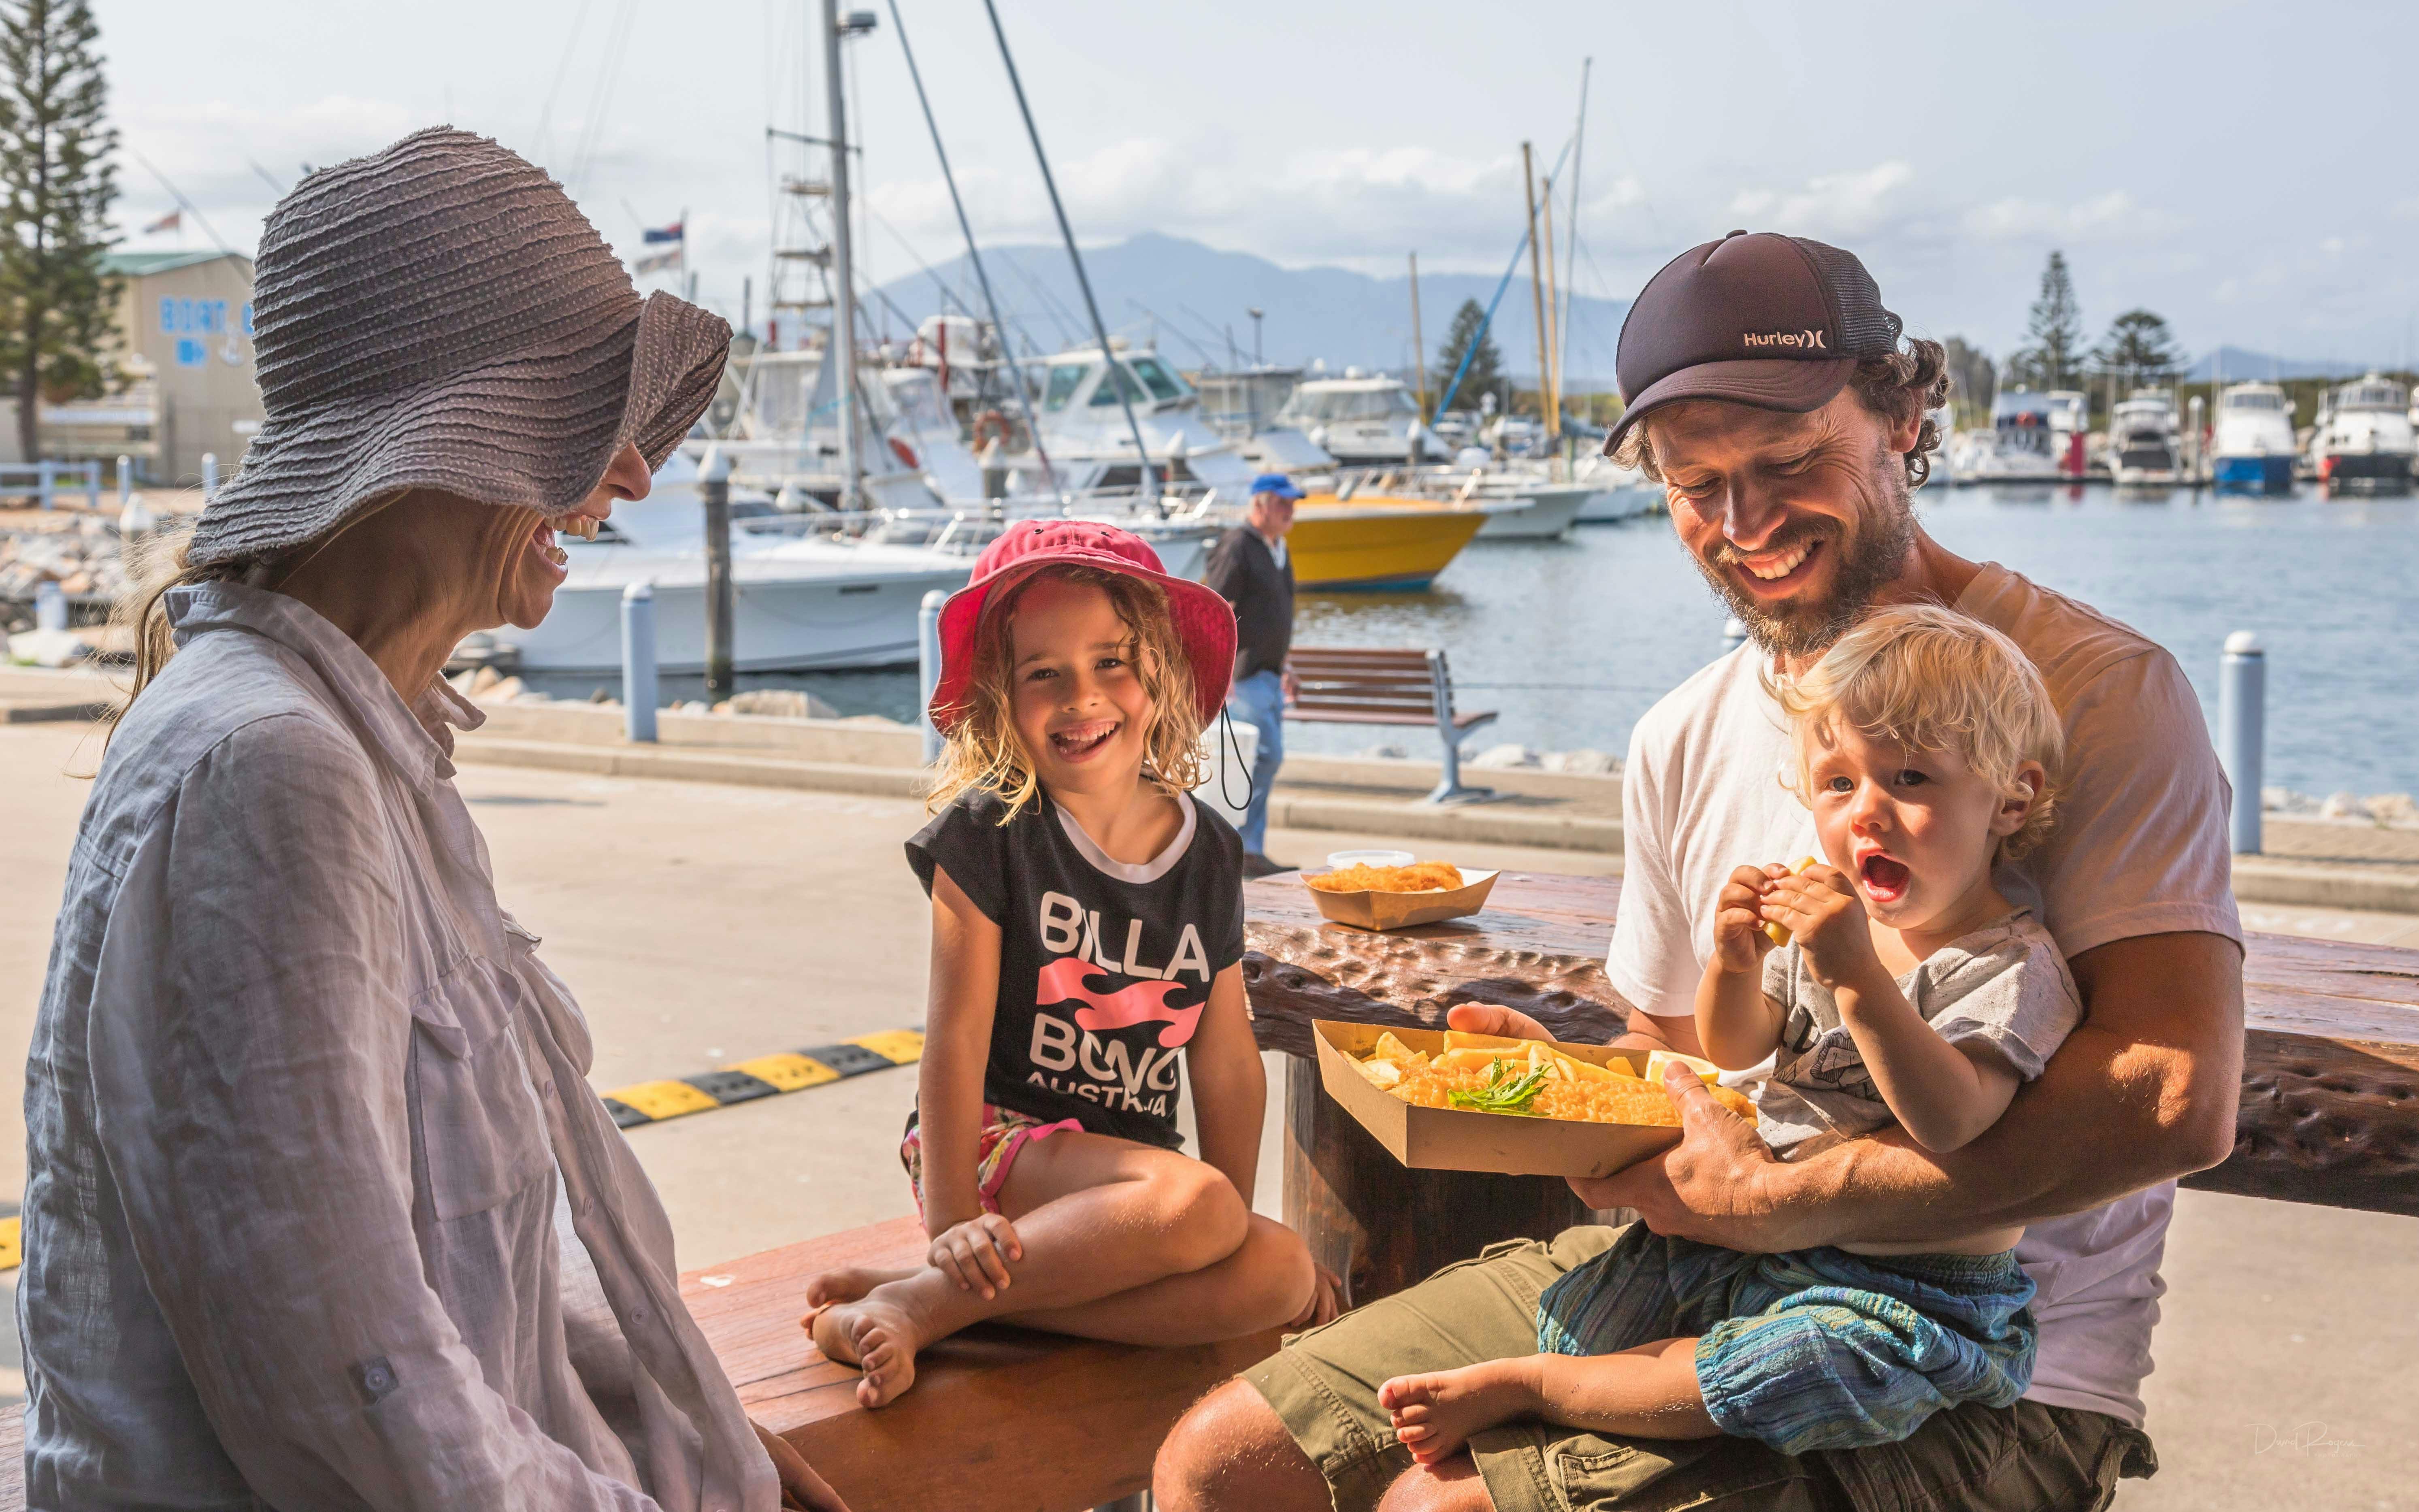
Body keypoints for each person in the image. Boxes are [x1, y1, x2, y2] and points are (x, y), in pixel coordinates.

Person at [1156, 230, 2244, 1512]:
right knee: (1216, 1465)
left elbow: (2174, 1095)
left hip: (1980, 1367)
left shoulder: (2093, 692)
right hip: (1691, 1273)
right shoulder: (1677, 733)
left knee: (1434, 1505)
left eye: (1788, 463)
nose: (1743, 523)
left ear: (1900, 416)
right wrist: (1562, 1090)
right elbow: (1684, 1055)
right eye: (1693, 483)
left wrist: (1779, 1203)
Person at [16, 129, 843, 1510]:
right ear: (442, 449)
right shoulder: (275, 766)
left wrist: (691, 1415)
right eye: (583, 423)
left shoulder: (348, 741)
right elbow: (357, 1389)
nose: (631, 474)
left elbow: (449, 1262)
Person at [1378, 605, 2076, 1466]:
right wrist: (1735, 962)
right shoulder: (1831, 916)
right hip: (1760, 1247)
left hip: (1911, 1287)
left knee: (1804, 1366)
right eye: (1836, 783)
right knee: (1586, 1314)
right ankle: (1588, 1372)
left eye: (1909, 781)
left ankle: (1537, 1388)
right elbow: (1737, 1046)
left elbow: (1953, 1117)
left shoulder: (2010, 966)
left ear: (2012, 797)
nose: (1865, 814)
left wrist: (1856, 975)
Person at [801, 521, 1338, 1409]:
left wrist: (1225, 1224)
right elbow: (953, 1043)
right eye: (1041, 672)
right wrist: (951, 1225)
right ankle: (931, 1290)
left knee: (1276, 1271)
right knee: (1200, 1207)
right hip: (995, 1147)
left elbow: (1225, 1055)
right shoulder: (987, 834)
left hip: (1129, 1190)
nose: (1081, 698)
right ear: (997, 699)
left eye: (1110, 663)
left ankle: (926, 1304)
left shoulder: (1207, 852)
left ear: (1160, 675)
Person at [1203, 473, 1303, 876]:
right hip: (1243, 675)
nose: (1290, 510)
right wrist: (1219, 669)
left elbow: (1276, 615)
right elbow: (1216, 608)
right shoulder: (1238, 545)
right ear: (1259, 505)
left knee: (1260, 760)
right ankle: (1242, 848)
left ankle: (1246, 848)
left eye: (1292, 503)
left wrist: (1287, 663)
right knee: (1261, 758)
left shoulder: (1277, 548)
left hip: (1269, 673)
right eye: (1282, 503)